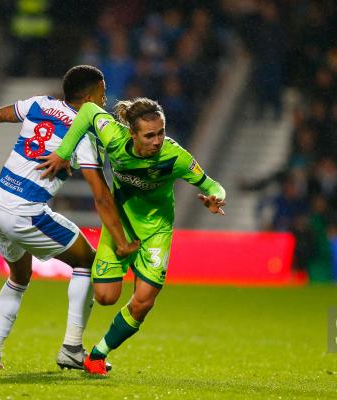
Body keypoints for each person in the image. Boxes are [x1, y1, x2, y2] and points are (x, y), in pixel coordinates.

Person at [0, 65, 138, 370]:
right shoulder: (84, 134)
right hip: (24, 212)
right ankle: (72, 348)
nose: (105, 97)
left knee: (18, 278)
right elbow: (100, 196)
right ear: (90, 95)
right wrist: (120, 240)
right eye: (103, 90)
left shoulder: (40, 104)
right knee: (87, 261)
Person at [36, 97, 226, 375]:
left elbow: (213, 185)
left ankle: (98, 355)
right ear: (132, 134)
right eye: (150, 135)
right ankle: (80, 341)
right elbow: (89, 110)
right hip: (120, 226)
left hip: (156, 232)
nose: (158, 140)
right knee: (105, 296)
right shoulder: (114, 137)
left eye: (161, 132)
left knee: (143, 302)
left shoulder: (176, 157)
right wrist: (64, 152)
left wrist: (215, 199)